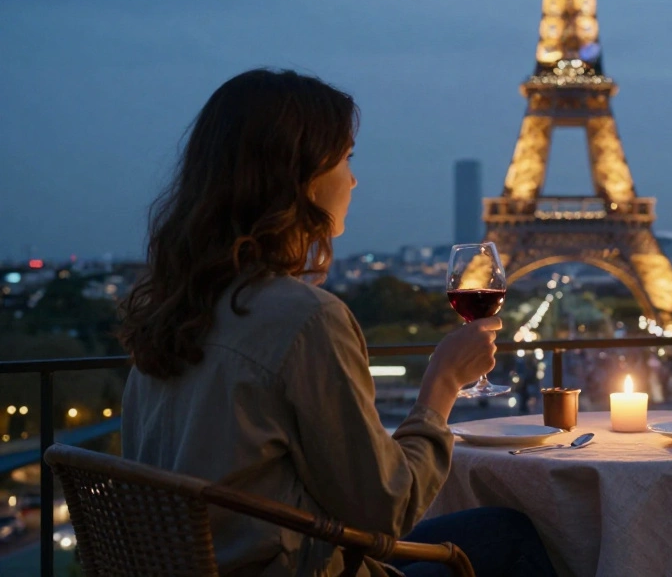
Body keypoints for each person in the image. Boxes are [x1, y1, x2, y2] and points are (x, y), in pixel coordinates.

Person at [117, 69, 557, 577]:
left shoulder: (171, 316)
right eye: (345, 157)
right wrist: (443, 383)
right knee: (512, 534)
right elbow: (386, 510)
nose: (353, 179)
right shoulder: (306, 319)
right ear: (297, 177)